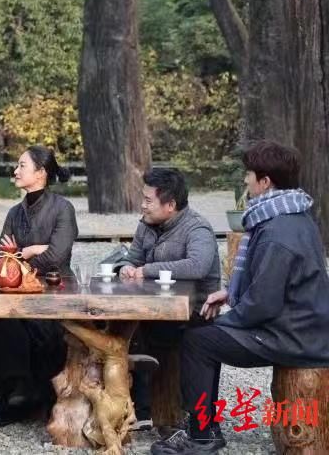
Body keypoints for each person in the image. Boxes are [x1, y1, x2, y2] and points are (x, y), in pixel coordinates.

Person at [151, 140, 329, 454]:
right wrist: (230, 294)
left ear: (265, 181)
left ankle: (202, 435)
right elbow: (271, 287)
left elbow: (264, 303)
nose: (245, 181)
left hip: (294, 337)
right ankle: (203, 426)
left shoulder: (276, 232)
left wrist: (227, 317)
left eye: (249, 174)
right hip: (298, 324)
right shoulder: (291, 215)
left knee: (199, 340)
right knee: (203, 330)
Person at [113, 168, 221, 431]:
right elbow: (133, 257)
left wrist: (147, 270)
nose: (143, 205)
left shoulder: (198, 228)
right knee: (117, 329)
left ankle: (189, 417)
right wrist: (125, 267)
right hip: (153, 308)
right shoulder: (146, 224)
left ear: (170, 205)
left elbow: (197, 266)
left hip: (193, 313)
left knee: (148, 333)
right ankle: (139, 411)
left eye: (148, 200)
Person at [0, 145, 78, 426]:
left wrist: (27, 253)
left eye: (22, 165)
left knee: (39, 327)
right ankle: (15, 392)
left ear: (41, 173)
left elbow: (56, 255)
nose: (15, 170)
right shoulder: (15, 212)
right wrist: (28, 253)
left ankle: (33, 392)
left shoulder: (63, 209)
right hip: (18, 292)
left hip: (55, 293)